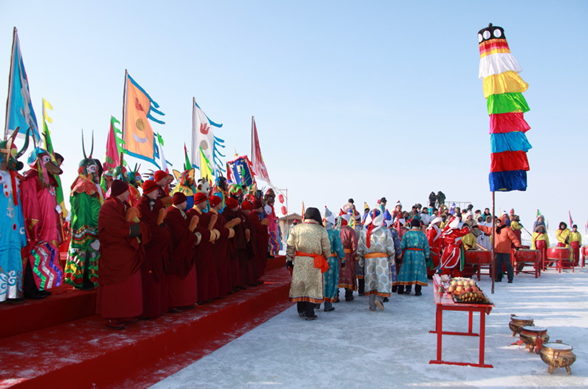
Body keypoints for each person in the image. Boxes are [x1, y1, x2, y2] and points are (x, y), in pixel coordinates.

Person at [97, 180, 150, 329]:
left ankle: (126, 312)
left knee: (129, 285)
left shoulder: (124, 206)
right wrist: (134, 229)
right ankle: (112, 316)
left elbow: (133, 221)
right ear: (120, 191)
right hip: (115, 252)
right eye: (126, 190)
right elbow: (113, 228)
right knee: (116, 287)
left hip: (127, 251)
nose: (128, 193)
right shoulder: (108, 207)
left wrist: (138, 227)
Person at [21, 147, 64, 299]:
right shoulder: (31, 177)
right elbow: (30, 203)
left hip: (49, 225)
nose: (48, 164)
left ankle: (40, 286)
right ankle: (30, 288)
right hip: (38, 226)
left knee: (45, 257)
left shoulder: (49, 180)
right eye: (45, 160)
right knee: (33, 255)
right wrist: (34, 225)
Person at [65, 155, 103, 290]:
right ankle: (84, 280)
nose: (95, 173)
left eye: (96, 169)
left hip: (81, 226)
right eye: (92, 169)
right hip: (87, 226)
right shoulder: (85, 187)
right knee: (87, 254)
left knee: (84, 253)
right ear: (84, 169)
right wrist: (98, 227)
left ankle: (82, 279)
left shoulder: (80, 184)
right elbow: (93, 210)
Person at [286, 207, 331, 320]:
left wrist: (289, 258)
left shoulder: (296, 228)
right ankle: (310, 313)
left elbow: (290, 245)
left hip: (300, 260)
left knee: (301, 285)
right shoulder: (321, 230)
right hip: (314, 261)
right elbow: (326, 247)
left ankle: (300, 310)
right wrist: (326, 258)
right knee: (311, 286)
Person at [137, 180, 172, 318]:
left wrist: (163, 230)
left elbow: (162, 223)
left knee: (160, 280)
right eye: (155, 190)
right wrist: (159, 232)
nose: (158, 192)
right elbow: (144, 226)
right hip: (149, 249)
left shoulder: (158, 204)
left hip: (159, 249)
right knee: (149, 281)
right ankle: (148, 311)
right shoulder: (140, 205)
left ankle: (160, 308)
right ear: (148, 191)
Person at [0, 132, 28, 303]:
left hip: (13, 225)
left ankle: (13, 292)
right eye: (11, 155)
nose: (14, 159)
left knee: (13, 254)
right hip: (2, 225)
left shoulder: (15, 179)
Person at [165, 192, 200, 311]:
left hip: (187, 247)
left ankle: (188, 301)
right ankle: (176, 303)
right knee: (176, 281)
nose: (187, 203)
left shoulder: (183, 214)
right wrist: (193, 237)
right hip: (178, 250)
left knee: (188, 281)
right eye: (185, 201)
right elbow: (177, 234)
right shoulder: (171, 214)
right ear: (179, 202)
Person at [357, 208, 394, 311]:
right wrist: (392, 257)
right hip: (382, 259)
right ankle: (379, 299)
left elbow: (360, 246)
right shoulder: (385, 230)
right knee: (382, 280)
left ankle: (371, 305)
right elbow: (390, 245)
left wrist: (360, 257)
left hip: (369, 260)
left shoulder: (364, 231)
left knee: (371, 281)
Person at [187, 193, 219, 304]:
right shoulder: (191, 213)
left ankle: (208, 294)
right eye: (205, 201)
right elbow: (198, 229)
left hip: (207, 246)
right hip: (199, 247)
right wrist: (210, 235)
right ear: (200, 202)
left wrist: (214, 234)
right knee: (201, 272)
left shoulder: (204, 214)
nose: (207, 203)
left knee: (208, 269)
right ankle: (201, 297)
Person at [477, 216, 522, 283]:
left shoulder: (507, 230)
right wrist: (478, 226)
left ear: (502, 222)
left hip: (505, 251)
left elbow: (514, 238)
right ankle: (498, 278)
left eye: (499, 222)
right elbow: (486, 229)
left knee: (508, 265)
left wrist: (517, 245)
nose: (497, 223)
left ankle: (510, 278)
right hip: (497, 250)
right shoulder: (495, 229)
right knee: (498, 265)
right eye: (497, 222)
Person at [397, 219, 431, 296]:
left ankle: (406, 288)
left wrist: (398, 254)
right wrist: (427, 256)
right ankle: (417, 290)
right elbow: (426, 246)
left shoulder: (407, 234)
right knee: (418, 271)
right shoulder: (422, 235)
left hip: (408, 254)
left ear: (411, 225)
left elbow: (402, 245)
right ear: (419, 225)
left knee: (407, 270)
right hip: (419, 254)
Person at [322, 207, 344, 312]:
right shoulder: (335, 233)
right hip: (331, 260)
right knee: (330, 281)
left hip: (319, 261)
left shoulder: (319, 232)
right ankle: (328, 305)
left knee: (319, 281)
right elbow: (339, 247)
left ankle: (316, 302)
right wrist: (342, 259)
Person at [337, 212, 358, 302]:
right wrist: (355, 255)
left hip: (337, 256)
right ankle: (348, 295)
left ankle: (335, 296)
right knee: (348, 274)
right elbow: (354, 244)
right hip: (348, 256)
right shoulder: (350, 231)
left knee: (337, 275)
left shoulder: (336, 230)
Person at [249, 199, 269, 285]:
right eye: (261, 207)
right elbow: (258, 227)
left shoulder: (257, 215)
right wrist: (263, 224)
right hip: (255, 241)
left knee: (259, 259)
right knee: (256, 259)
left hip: (258, 240)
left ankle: (257, 277)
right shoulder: (252, 215)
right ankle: (253, 279)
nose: (262, 209)